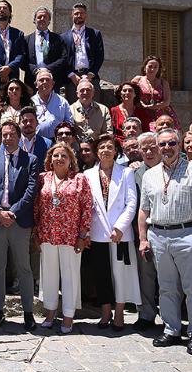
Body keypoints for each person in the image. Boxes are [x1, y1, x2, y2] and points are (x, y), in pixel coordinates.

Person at [138, 128, 192, 356]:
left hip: (186, 234)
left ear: (179, 145)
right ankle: (171, 329)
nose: (167, 148)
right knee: (167, 287)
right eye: (162, 144)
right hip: (158, 235)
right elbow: (143, 210)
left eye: (171, 143)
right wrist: (143, 238)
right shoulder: (150, 175)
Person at [0, 121, 40, 331]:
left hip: (19, 221)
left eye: (11, 134)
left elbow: (31, 190)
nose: (8, 138)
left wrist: (13, 213)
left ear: (18, 136)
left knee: (24, 268)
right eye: (4, 135)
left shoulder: (31, 160)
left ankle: (28, 314)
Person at [33, 142, 92, 334]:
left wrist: (83, 235)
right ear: (50, 159)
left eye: (63, 156)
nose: (59, 159)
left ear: (71, 160)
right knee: (48, 275)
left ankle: (68, 316)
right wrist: (36, 232)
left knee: (70, 276)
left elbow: (87, 208)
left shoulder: (79, 180)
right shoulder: (43, 179)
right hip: (47, 234)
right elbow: (36, 207)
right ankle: (50, 313)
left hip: (71, 236)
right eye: (56, 155)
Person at [84, 135, 140, 332]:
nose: (105, 150)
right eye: (101, 147)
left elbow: (131, 203)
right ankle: (105, 311)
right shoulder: (88, 174)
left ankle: (119, 312)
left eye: (110, 147)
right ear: (96, 152)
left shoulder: (126, 173)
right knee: (102, 275)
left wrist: (120, 227)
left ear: (116, 151)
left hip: (120, 234)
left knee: (121, 274)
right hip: (98, 232)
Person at [132, 132, 162, 331]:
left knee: (169, 279)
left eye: (153, 147)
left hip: (167, 229)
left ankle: (171, 317)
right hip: (144, 231)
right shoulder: (134, 173)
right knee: (146, 275)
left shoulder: (172, 168)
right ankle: (146, 314)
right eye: (145, 148)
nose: (149, 152)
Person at [59, 3, 104, 101]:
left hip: (91, 77)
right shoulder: (64, 37)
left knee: (94, 108)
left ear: (86, 15)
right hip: (72, 79)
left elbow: (99, 56)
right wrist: (71, 75)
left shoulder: (94, 34)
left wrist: (90, 74)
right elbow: (63, 59)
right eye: (76, 13)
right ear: (72, 15)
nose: (79, 16)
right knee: (73, 111)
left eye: (82, 13)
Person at [24, 6, 67, 93]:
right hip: (32, 81)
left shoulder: (58, 38)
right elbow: (22, 60)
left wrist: (47, 69)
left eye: (45, 17)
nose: (42, 19)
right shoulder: (26, 39)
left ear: (49, 21)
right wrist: (35, 70)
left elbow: (64, 58)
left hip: (52, 81)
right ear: (34, 20)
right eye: (39, 17)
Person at [132, 55, 178, 131]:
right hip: (142, 112)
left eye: (155, 67)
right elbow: (131, 93)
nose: (152, 69)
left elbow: (167, 102)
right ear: (144, 67)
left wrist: (150, 107)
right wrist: (141, 104)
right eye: (150, 66)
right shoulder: (138, 80)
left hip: (161, 114)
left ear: (158, 69)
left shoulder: (163, 82)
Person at [29, 69, 73, 140]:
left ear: (53, 83)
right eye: (41, 80)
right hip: (36, 140)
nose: (44, 82)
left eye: (47, 80)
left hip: (57, 141)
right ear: (36, 84)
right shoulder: (30, 102)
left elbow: (69, 122)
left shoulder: (62, 101)